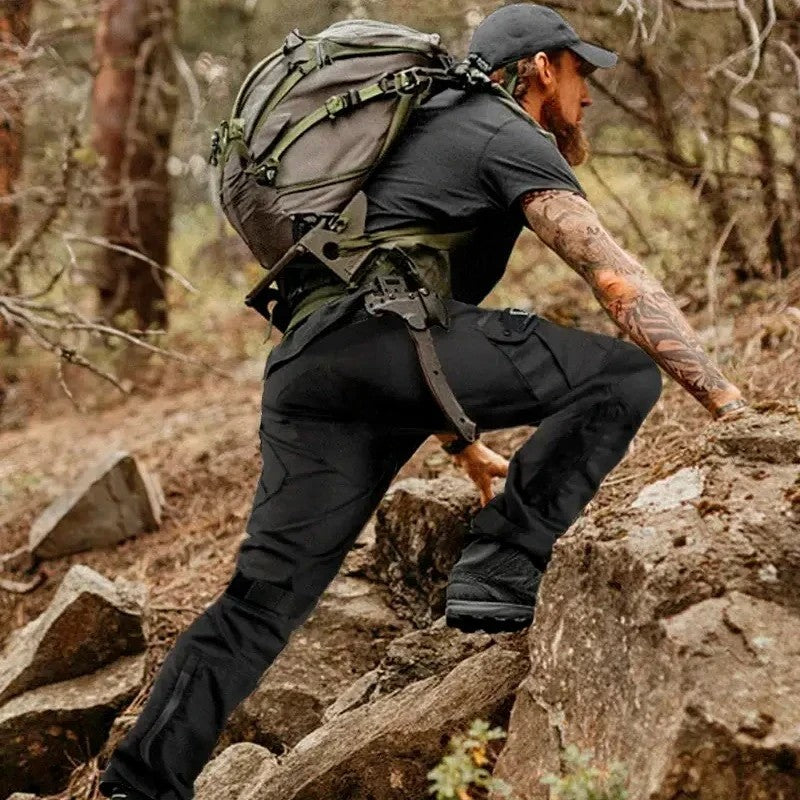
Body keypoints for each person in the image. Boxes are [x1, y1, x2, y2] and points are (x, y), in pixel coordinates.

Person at [99, 4, 749, 799]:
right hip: (386, 347)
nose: (589, 92)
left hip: (309, 370)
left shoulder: (413, 130)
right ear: (542, 67)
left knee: (257, 605)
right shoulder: (500, 128)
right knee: (620, 375)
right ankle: (502, 565)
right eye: (581, 71)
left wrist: (463, 447)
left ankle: (136, 785)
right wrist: (726, 401)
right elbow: (611, 276)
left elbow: (391, 285)